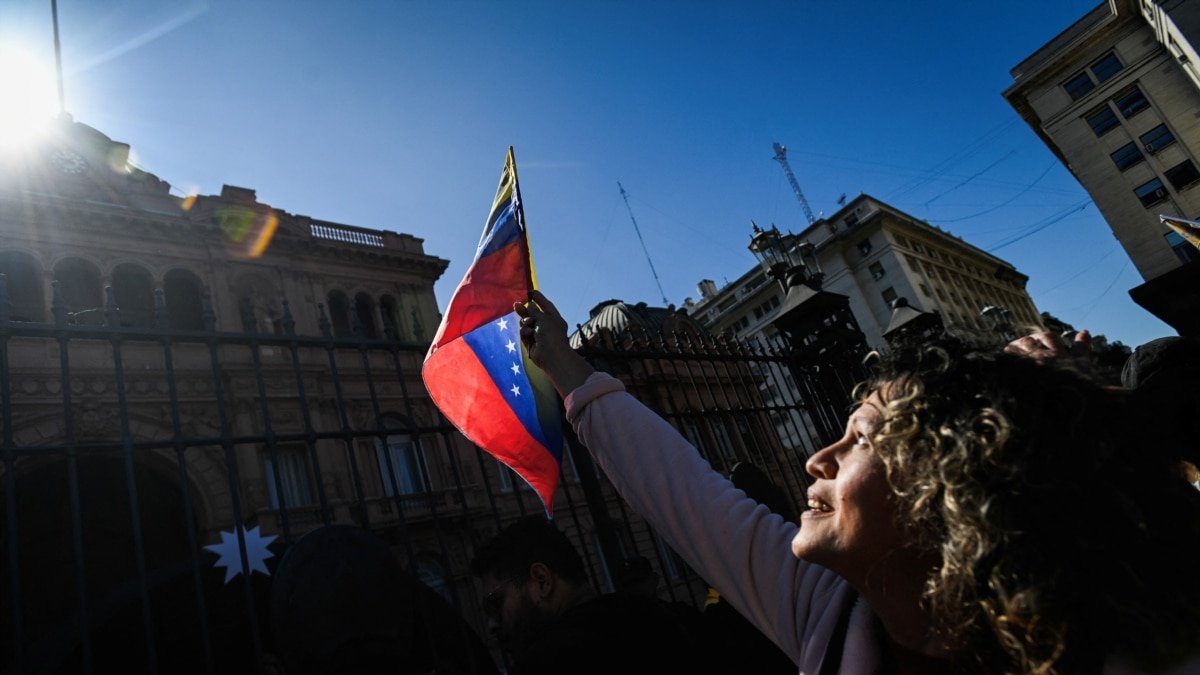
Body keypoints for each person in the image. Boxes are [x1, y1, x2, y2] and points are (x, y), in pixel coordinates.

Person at [515, 290, 1200, 674]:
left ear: (950, 486)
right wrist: (568, 371)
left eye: (861, 440)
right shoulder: (826, 608)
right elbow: (680, 487)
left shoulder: (1118, 650)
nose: (818, 457)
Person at [469, 514, 711, 675]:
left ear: (542, 580)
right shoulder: (661, 620)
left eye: (496, 603)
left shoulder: (544, 664)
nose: (491, 624)